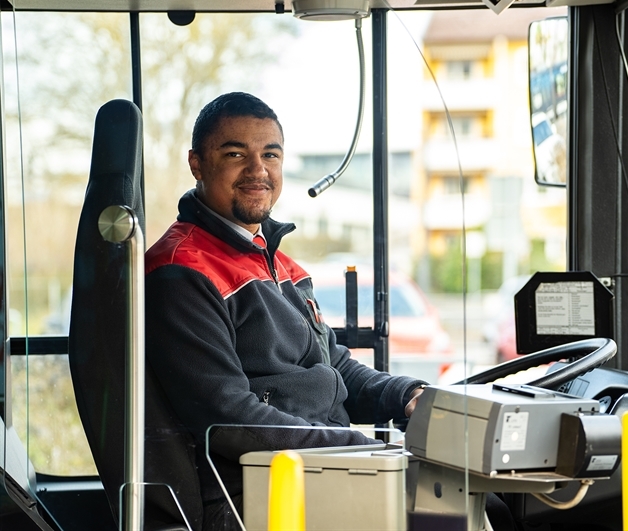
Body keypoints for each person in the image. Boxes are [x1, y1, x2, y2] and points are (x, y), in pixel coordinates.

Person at [144, 92, 427, 530]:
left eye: (270, 154)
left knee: (488, 504)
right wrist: (358, 447)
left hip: (317, 470)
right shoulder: (182, 271)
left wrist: (409, 396)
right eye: (236, 153)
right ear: (197, 163)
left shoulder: (281, 266)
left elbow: (336, 368)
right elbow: (229, 418)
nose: (257, 170)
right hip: (252, 493)